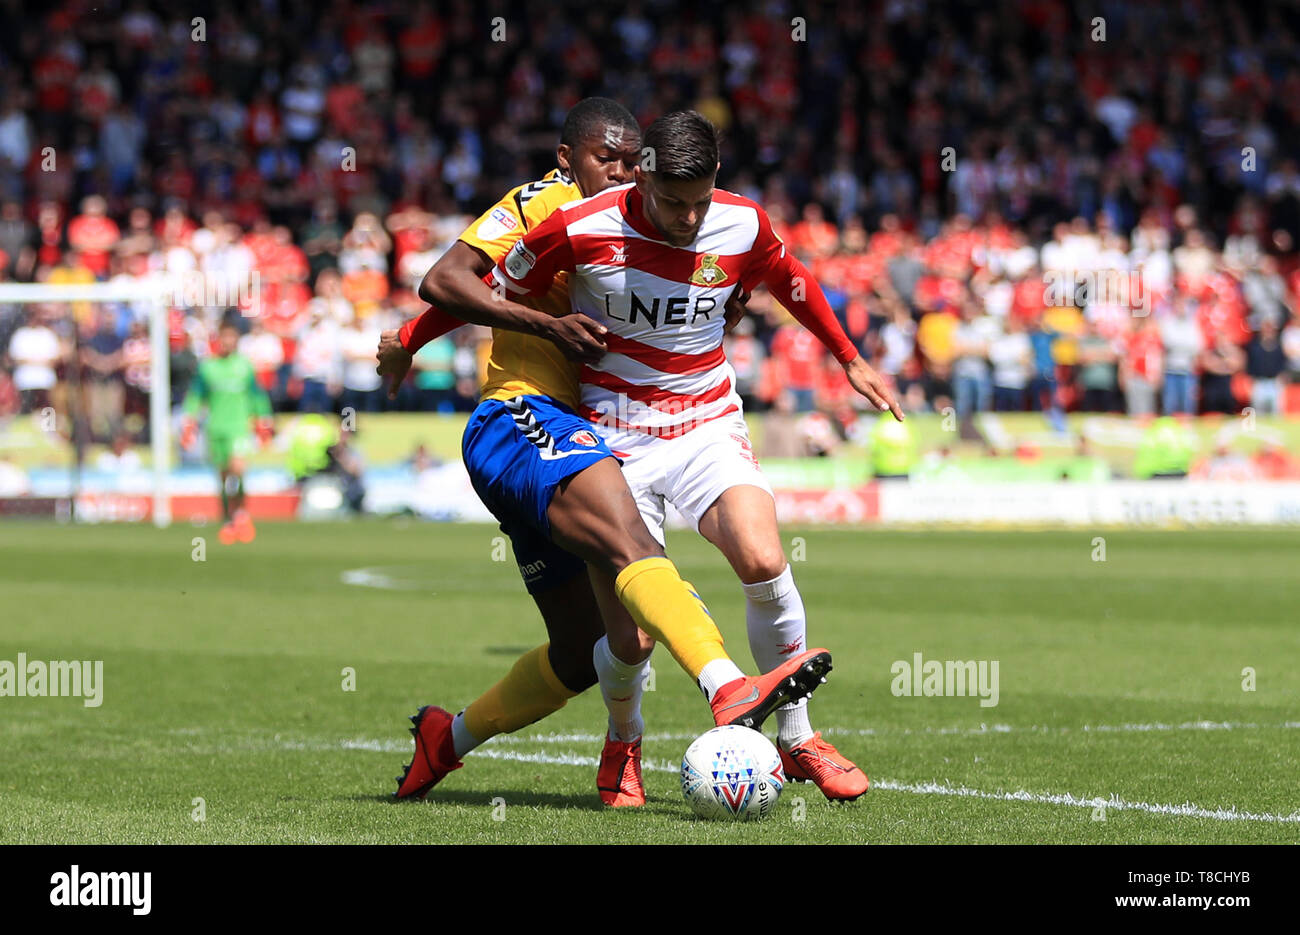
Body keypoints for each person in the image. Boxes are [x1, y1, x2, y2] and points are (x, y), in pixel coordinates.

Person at [379, 98, 834, 805]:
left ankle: (448, 737)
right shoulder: (548, 206)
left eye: (632, 161)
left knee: (586, 651)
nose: (624, 171)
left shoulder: (640, 219)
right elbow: (459, 280)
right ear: (568, 158)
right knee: (631, 546)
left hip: (580, 434)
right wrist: (434, 336)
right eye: (609, 159)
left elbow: (738, 272)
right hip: (525, 415)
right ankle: (729, 686)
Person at [181, 318, 274, 544]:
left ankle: (241, 515)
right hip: (216, 429)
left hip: (238, 428)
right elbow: (196, 396)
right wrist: (189, 421)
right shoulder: (208, 368)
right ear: (218, 339)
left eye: (232, 337)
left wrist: (263, 420)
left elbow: (256, 395)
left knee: (238, 469)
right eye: (224, 337)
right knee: (223, 477)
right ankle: (227, 520)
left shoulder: (244, 366)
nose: (228, 341)